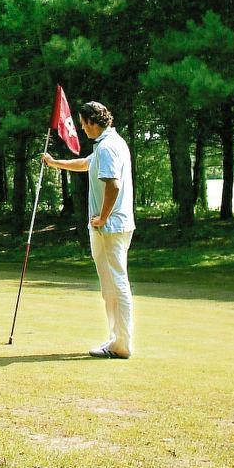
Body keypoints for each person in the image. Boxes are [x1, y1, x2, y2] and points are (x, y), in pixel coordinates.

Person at [42, 100, 135, 358]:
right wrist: (54, 163)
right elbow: (85, 164)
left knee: (116, 283)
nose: (82, 129)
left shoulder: (107, 147)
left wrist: (103, 218)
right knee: (109, 286)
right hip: (113, 226)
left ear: (93, 122)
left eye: (83, 124)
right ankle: (115, 339)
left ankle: (122, 343)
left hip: (111, 227)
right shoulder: (110, 144)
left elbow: (113, 185)